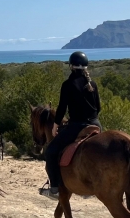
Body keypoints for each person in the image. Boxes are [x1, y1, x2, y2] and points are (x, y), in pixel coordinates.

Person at [41, 51, 101, 197]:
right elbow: (98, 107)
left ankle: (54, 188)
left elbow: (61, 108)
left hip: (77, 126)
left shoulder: (68, 84)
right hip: (96, 124)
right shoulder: (92, 84)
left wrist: (55, 125)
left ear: (71, 67)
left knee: (51, 151)